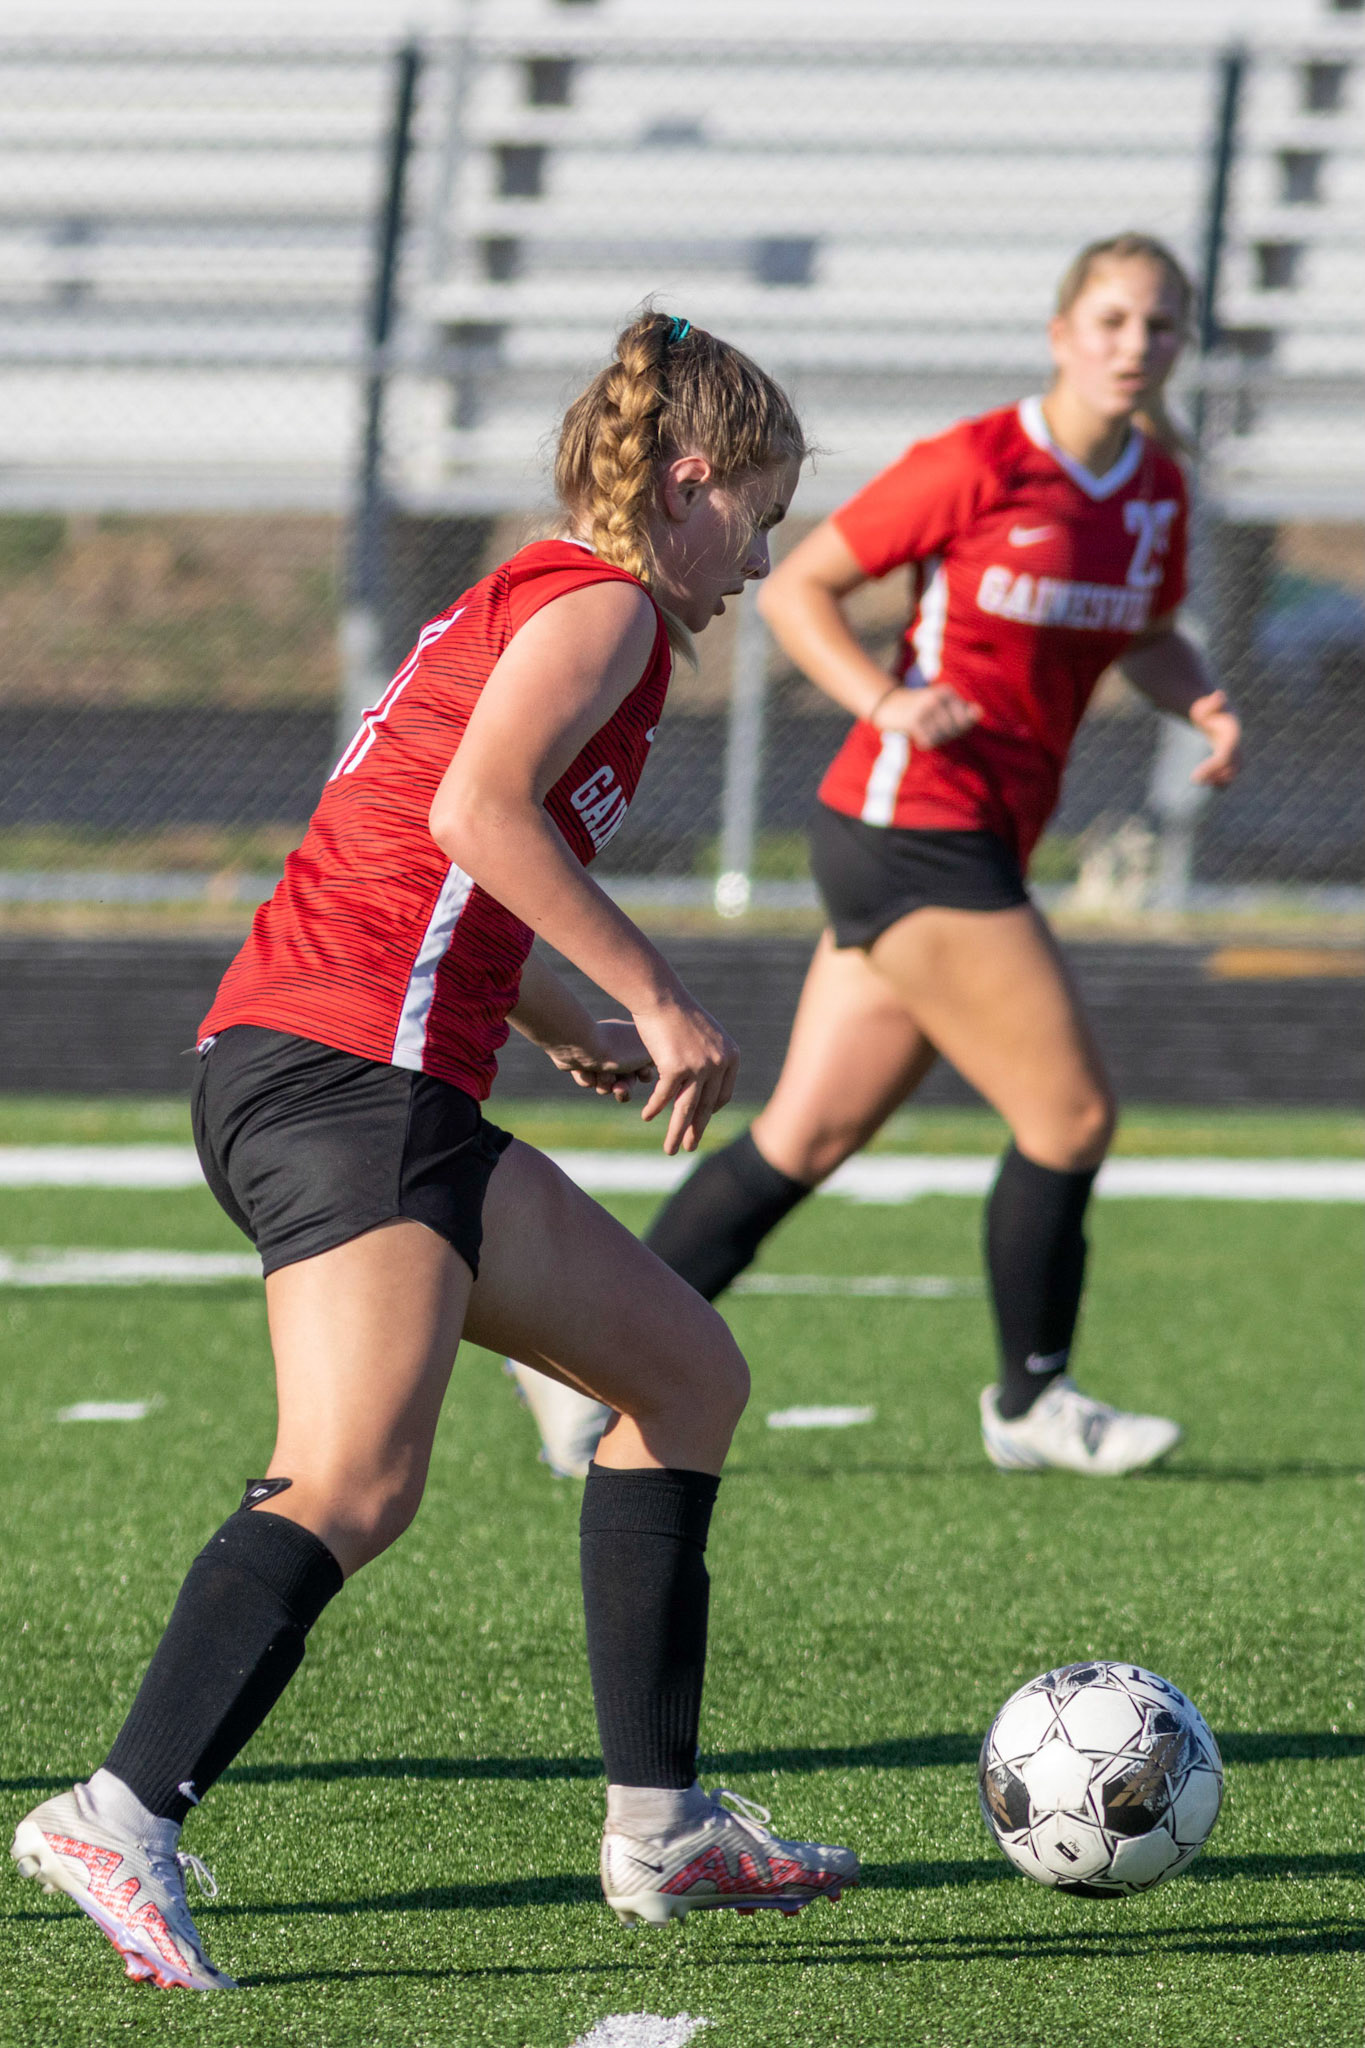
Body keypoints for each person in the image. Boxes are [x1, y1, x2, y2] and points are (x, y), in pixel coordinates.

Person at [9, 312, 859, 1992]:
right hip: (345, 1077)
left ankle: (662, 1827)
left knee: (684, 1372)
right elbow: (478, 815)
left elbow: (435, 845)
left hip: (371, 1073)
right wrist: (653, 993)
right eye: (759, 515)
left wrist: (551, 1016)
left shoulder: (552, 597)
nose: (765, 560)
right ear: (689, 483)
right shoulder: (605, 606)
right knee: (354, 1480)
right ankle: (119, 1811)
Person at [512, 234, 1243, 1484]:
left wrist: (1205, 701)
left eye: (1161, 325)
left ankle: (576, 1357)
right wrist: (884, 700)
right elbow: (803, 587)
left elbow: (1146, 632)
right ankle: (1034, 1397)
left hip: (972, 837)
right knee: (1071, 1114)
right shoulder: (980, 461)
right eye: (1113, 320)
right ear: (1062, 333)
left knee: (802, 1137)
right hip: (912, 828)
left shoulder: (1157, 492)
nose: (1137, 345)